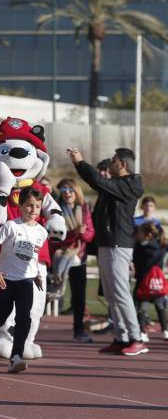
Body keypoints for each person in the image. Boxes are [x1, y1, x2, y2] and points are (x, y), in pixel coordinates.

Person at [69, 147, 147, 356]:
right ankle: (121, 338)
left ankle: (136, 337)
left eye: (113, 161)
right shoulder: (114, 186)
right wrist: (79, 165)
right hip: (107, 244)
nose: (109, 166)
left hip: (119, 245)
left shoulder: (131, 183)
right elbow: (96, 181)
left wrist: (81, 162)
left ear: (121, 163)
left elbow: (99, 180)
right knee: (112, 295)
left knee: (121, 293)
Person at [0, 187, 49, 374]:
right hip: (5, 280)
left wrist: (36, 274)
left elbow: (33, 256)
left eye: (37, 206)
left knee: (24, 318)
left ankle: (16, 357)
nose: (33, 210)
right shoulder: (11, 226)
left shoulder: (41, 232)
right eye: (29, 206)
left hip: (26, 281)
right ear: (20, 206)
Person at [52, 179, 95, 343]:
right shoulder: (55, 209)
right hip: (58, 255)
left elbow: (90, 234)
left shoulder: (84, 209)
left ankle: (79, 330)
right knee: (47, 292)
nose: (67, 192)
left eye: (71, 189)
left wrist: (82, 234)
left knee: (79, 296)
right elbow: (54, 237)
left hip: (79, 256)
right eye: (64, 189)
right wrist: (73, 233)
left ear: (77, 192)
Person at [132, 222, 168, 341]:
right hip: (157, 282)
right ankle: (165, 330)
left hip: (144, 282)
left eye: (140, 232)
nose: (138, 235)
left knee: (141, 308)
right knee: (160, 307)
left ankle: (142, 332)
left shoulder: (141, 248)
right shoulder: (161, 246)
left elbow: (137, 261)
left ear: (147, 234)